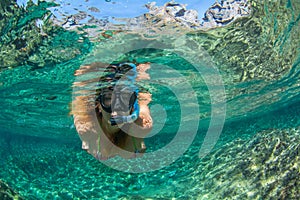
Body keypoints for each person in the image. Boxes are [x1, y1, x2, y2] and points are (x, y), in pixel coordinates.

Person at [72, 62, 152, 160]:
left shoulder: (141, 124)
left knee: (126, 152)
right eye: (109, 101)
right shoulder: (87, 127)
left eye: (124, 102)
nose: (115, 113)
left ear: (131, 108)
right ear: (99, 106)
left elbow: (143, 106)